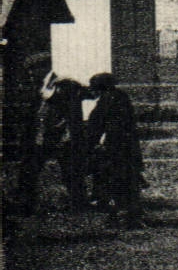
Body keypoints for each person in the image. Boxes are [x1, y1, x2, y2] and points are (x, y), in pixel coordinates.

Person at [11, 60, 90, 214]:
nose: (31, 74)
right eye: (30, 71)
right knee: (29, 170)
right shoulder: (41, 86)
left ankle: (79, 204)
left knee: (71, 172)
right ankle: (26, 204)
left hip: (63, 138)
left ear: (44, 68)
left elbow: (67, 108)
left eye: (33, 70)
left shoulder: (66, 84)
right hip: (41, 138)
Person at [85, 72, 143, 228]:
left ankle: (121, 217)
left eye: (94, 87)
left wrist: (96, 142)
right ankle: (129, 216)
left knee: (115, 183)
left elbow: (97, 123)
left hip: (115, 150)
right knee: (128, 183)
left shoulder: (108, 100)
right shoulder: (120, 97)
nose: (92, 91)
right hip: (126, 149)